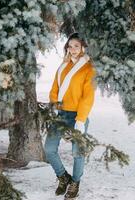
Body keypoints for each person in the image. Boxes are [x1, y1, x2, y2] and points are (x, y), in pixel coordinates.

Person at [44, 32, 96, 199]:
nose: (72, 49)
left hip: (77, 115)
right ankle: (63, 176)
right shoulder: (63, 66)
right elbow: (54, 89)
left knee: (77, 151)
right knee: (49, 149)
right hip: (61, 114)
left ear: (83, 47)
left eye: (76, 46)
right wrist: (54, 106)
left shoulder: (88, 68)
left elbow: (88, 97)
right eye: (70, 45)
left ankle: (75, 182)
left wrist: (80, 120)